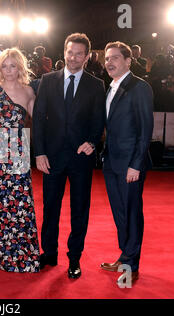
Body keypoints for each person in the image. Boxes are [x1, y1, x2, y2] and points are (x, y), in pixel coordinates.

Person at [33, 33, 105, 279]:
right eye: (70, 52)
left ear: (87, 57)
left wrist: (92, 142)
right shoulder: (47, 80)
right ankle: (49, 253)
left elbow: (98, 120)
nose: (74, 57)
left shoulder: (96, 85)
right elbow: (39, 119)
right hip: (51, 157)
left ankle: (74, 258)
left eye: (79, 53)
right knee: (50, 207)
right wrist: (39, 152)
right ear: (64, 52)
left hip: (80, 158)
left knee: (79, 209)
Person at [100, 41, 154, 285]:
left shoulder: (139, 87)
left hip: (130, 165)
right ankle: (125, 257)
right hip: (111, 162)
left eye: (115, 58)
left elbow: (145, 130)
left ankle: (132, 264)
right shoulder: (110, 88)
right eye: (107, 58)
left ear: (128, 61)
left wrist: (136, 164)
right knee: (120, 213)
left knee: (131, 213)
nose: (109, 62)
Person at [0, 48, 40, 273]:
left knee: (20, 201)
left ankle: (21, 253)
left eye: (12, 66)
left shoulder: (28, 92)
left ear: (20, 68)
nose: (8, 70)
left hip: (18, 150)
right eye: (4, 66)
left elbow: (40, 123)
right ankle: (1, 252)